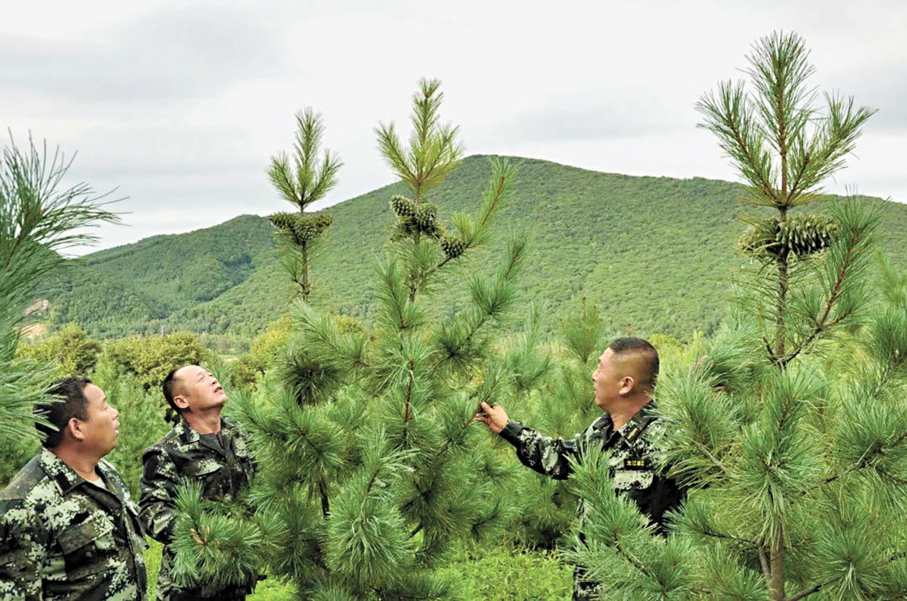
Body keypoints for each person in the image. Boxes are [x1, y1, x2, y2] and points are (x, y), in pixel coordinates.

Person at [475, 337, 684, 600]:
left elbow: (716, 471)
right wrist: (509, 429)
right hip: (591, 590)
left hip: (640, 591)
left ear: (625, 384)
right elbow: (559, 459)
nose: (594, 376)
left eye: (600, 369)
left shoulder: (668, 438)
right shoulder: (601, 430)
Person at [0, 376, 148, 600]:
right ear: (76, 427)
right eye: (105, 406)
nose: (115, 412)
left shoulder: (105, 471)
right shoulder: (25, 504)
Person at [139, 365, 256, 601]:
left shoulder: (243, 435)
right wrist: (192, 529)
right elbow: (151, 510)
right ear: (182, 401)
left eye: (212, 374)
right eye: (202, 379)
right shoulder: (167, 451)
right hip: (190, 586)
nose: (213, 379)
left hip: (236, 578)